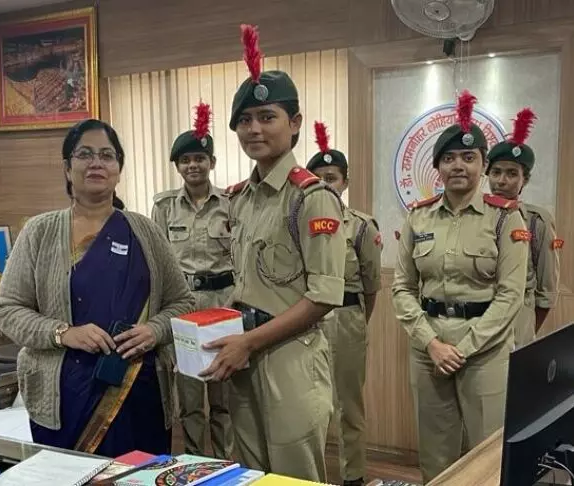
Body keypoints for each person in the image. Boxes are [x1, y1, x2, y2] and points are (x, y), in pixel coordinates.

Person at [0, 119, 195, 457]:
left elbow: (182, 302)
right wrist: (62, 332)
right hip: (62, 399)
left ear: (118, 169)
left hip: (137, 390)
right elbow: (7, 308)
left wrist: (155, 329)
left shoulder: (144, 231)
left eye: (107, 155)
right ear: (68, 168)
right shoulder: (39, 232)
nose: (96, 162)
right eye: (85, 154)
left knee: (140, 475)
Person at [199, 25, 346, 482]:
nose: (254, 128)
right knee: (251, 473)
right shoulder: (240, 197)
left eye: (267, 116)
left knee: (295, 476)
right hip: (244, 356)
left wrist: (249, 342)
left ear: (295, 122)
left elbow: (323, 296)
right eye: (244, 120)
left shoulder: (311, 198)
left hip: (290, 359)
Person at [391, 91, 529, 482]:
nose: (458, 166)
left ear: (483, 166)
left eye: (469, 158)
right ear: (437, 166)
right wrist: (431, 343)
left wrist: (462, 348)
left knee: (488, 452)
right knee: (435, 453)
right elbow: (401, 287)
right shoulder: (419, 218)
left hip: (484, 349)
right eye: (449, 158)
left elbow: (510, 296)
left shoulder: (505, 220)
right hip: (428, 346)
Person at [151, 102, 233, 459]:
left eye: (199, 158)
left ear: (211, 162)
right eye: (185, 160)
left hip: (224, 306)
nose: (192, 165)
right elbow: (156, 264)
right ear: (178, 167)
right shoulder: (165, 207)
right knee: (189, 398)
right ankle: (199, 464)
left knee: (224, 395)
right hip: (184, 309)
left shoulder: (231, 204)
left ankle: (229, 462)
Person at [306, 121, 381, 486]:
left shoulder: (363, 226)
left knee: (348, 406)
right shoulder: (298, 223)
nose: (325, 184)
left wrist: (358, 322)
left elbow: (371, 285)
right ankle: (312, 475)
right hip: (303, 322)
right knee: (309, 404)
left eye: (332, 177)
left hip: (346, 318)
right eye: (317, 177)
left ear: (345, 182)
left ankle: (353, 477)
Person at [487, 108, 562, 346]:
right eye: (496, 172)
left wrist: (527, 330)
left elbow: (546, 289)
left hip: (517, 326)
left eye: (511, 174)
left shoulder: (536, 221)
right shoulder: (477, 215)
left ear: (524, 179)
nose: (501, 180)